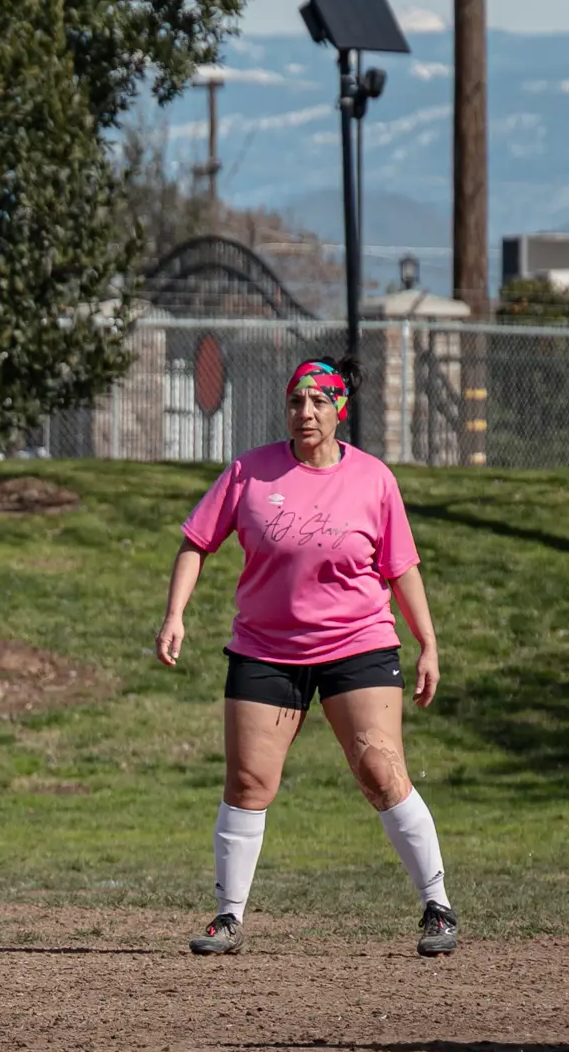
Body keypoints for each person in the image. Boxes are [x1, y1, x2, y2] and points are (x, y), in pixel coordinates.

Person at [155, 355, 456, 958]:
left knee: (380, 769)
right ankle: (228, 917)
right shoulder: (249, 471)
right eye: (297, 401)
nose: (306, 412)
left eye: (319, 401)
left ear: (340, 409)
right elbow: (196, 542)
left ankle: (437, 906)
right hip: (266, 650)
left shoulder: (373, 479)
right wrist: (174, 614)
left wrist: (428, 643)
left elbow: (401, 567)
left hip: (359, 643)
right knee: (248, 782)